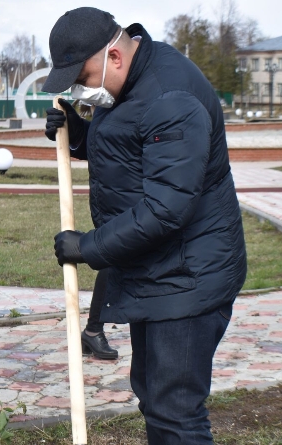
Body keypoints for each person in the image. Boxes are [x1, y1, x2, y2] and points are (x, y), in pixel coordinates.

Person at [44, 7, 247, 444]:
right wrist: (77, 134)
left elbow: (166, 208)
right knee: (156, 398)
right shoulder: (131, 83)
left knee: (176, 411)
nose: (80, 89)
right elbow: (128, 147)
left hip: (188, 280)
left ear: (114, 56)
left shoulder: (170, 97)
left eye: (82, 77)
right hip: (160, 274)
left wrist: (88, 247)